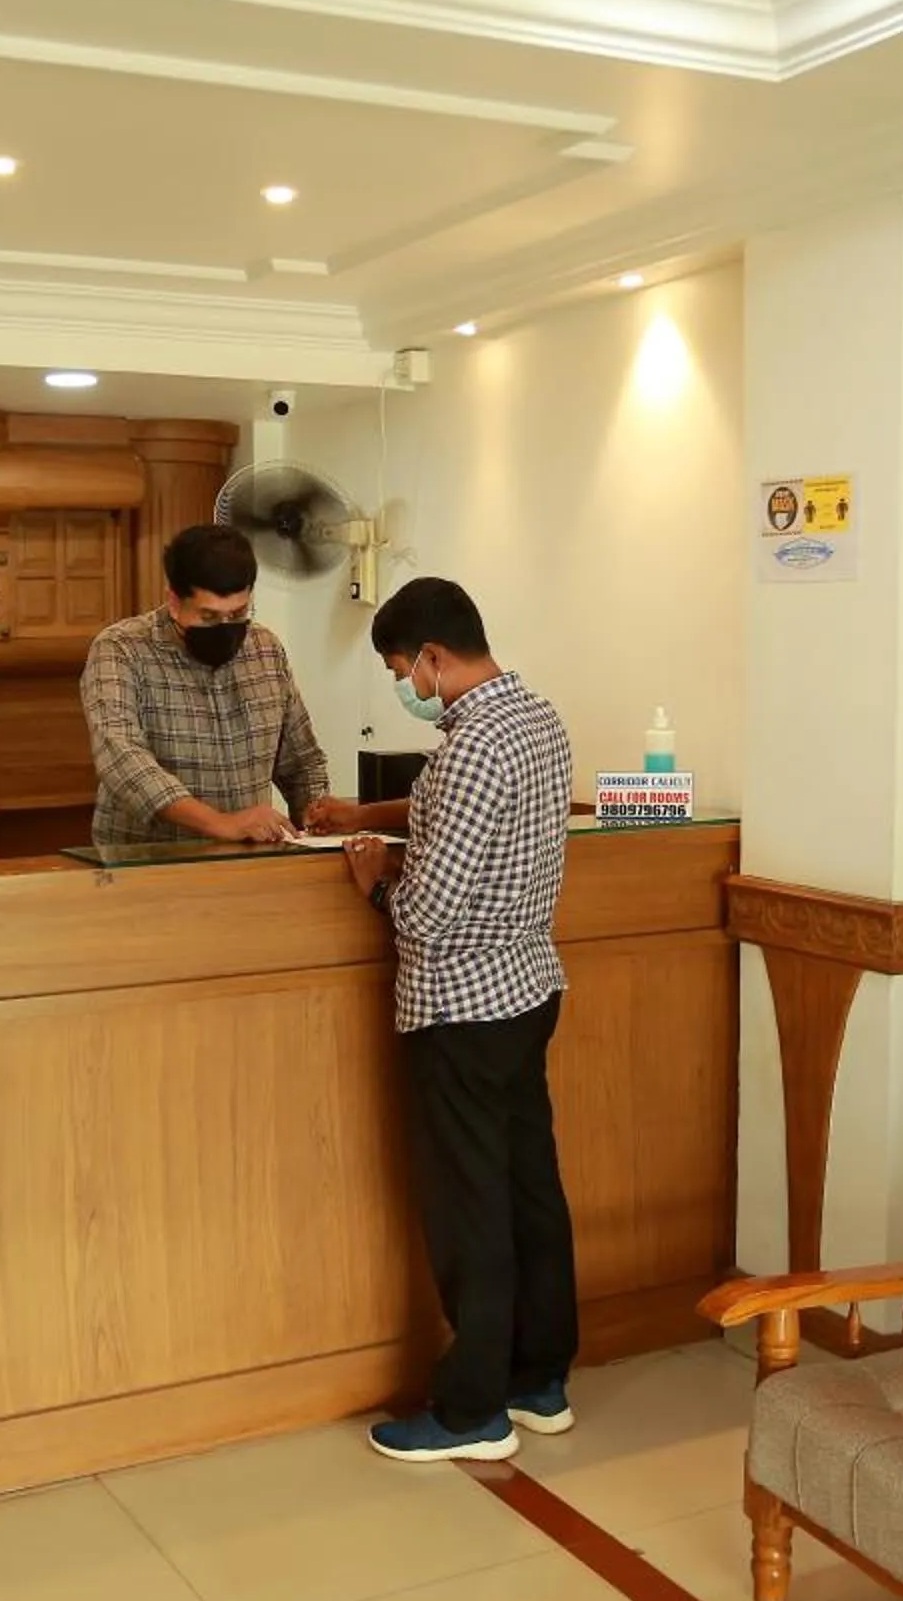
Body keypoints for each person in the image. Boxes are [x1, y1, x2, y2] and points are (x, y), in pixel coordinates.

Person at [340, 577, 578, 1462]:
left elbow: (430, 911)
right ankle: (538, 1380)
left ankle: (471, 1408)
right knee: (528, 1192)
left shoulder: (472, 745)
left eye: (405, 669)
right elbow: (478, 823)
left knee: (468, 1207)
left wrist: (375, 883)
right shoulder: (536, 720)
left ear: (435, 658)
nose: (408, 685)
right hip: (525, 988)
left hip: (460, 1005)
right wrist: (377, 816)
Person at [81, 523, 337, 847]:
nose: (226, 627)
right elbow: (122, 758)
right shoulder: (121, 649)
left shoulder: (265, 649)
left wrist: (316, 823)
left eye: (239, 613)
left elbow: (302, 762)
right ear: (174, 601)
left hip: (246, 863)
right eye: (209, 617)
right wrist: (220, 823)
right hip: (145, 864)